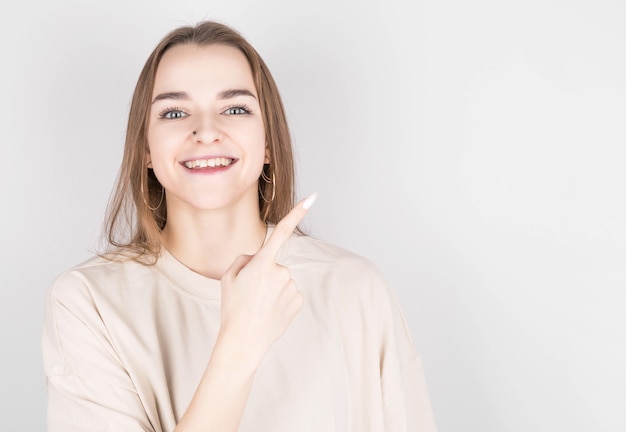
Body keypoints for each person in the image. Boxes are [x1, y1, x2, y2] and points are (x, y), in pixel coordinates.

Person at [42, 20, 437, 432]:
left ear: (268, 143)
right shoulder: (87, 304)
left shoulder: (356, 288)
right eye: (174, 112)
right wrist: (239, 345)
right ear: (145, 149)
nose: (207, 131)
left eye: (235, 108)